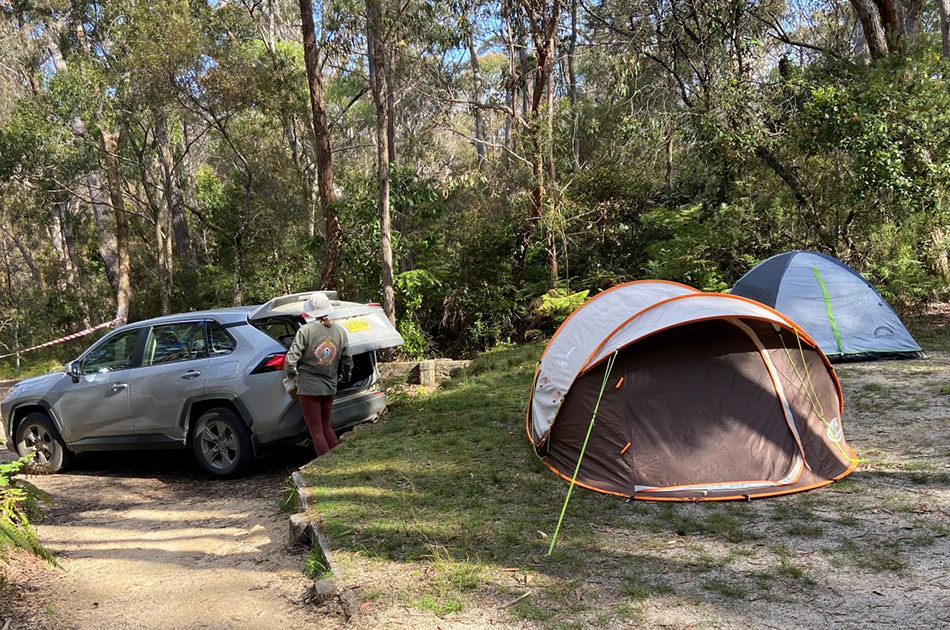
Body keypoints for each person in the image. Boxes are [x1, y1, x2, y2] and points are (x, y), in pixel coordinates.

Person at [285, 292, 353, 456]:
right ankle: (337, 459)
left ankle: (325, 465)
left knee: (316, 431)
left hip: (308, 388)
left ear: (310, 311)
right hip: (330, 386)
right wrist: (345, 377)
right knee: (326, 426)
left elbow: (290, 359)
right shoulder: (339, 331)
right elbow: (347, 360)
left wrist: (292, 375)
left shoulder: (305, 331)